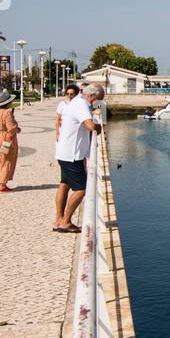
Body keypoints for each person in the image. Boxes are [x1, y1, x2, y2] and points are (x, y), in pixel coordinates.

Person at [53, 83, 104, 233]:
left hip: (64, 152)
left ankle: (58, 219)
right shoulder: (81, 104)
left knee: (64, 184)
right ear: (92, 96)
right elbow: (90, 126)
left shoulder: (75, 102)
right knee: (82, 188)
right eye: (99, 100)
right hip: (72, 155)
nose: (98, 103)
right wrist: (98, 127)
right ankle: (65, 222)